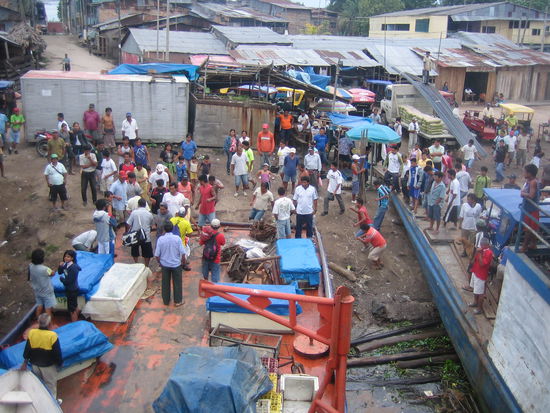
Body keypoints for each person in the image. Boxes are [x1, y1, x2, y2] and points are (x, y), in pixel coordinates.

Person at [22, 313, 63, 400]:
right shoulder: (52, 335)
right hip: (48, 366)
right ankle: (53, 403)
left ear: (38, 323)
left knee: (40, 384)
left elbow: (27, 349)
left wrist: (25, 363)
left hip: (35, 364)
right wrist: (59, 363)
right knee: (51, 385)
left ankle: (40, 401)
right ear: (49, 324)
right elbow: (57, 353)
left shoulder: (32, 333)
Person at [155, 221, 186, 306]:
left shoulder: (160, 239)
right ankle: (178, 301)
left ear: (164, 229)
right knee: (177, 283)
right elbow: (183, 253)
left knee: (165, 283)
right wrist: (183, 263)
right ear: (172, 229)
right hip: (176, 264)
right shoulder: (177, 239)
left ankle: (166, 301)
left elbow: (157, 255)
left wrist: (160, 263)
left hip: (165, 265)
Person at [463, 238, 493, 315]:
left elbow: (482, 264)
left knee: (480, 293)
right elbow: (473, 261)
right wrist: (476, 253)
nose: (481, 246)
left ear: (486, 245)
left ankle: (479, 309)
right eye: (481, 244)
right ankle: (475, 302)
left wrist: (479, 253)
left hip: (481, 275)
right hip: (475, 272)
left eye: (482, 245)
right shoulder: (480, 251)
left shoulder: (489, 253)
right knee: (475, 289)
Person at [28, 249, 57, 318]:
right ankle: (50, 324)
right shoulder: (45, 269)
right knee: (48, 309)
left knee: (39, 306)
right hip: (46, 292)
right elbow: (52, 273)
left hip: (37, 291)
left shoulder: (30, 266)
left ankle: (38, 321)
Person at [126, 198, 154, 267]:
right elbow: (152, 225)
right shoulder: (149, 214)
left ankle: (136, 264)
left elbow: (128, 223)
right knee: (147, 252)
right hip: (146, 235)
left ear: (138, 204)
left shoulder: (134, 213)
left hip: (135, 235)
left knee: (135, 251)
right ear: (145, 205)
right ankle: (146, 266)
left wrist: (127, 232)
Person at [520, 164, 540, 252]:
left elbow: (531, 195)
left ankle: (524, 246)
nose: (523, 173)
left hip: (532, 209)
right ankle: (533, 244)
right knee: (530, 228)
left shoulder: (533, 182)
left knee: (529, 229)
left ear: (529, 173)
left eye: (525, 172)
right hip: (528, 208)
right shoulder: (529, 181)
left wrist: (523, 194)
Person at [58, 250, 81, 322]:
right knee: (74, 305)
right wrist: (60, 266)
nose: (66, 258)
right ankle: (77, 317)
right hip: (70, 289)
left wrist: (62, 280)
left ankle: (74, 323)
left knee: (72, 309)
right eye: (65, 256)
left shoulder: (73, 268)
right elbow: (60, 272)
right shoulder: (66, 265)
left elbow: (69, 281)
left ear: (72, 258)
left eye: (68, 257)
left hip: (72, 290)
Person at [170, 207, 194, 271]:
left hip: (172, 240)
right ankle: (184, 264)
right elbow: (190, 234)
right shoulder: (186, 223)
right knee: (184, 253)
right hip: (181, 241)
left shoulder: (172, 219)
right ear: (185, 214)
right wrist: (185, 234)